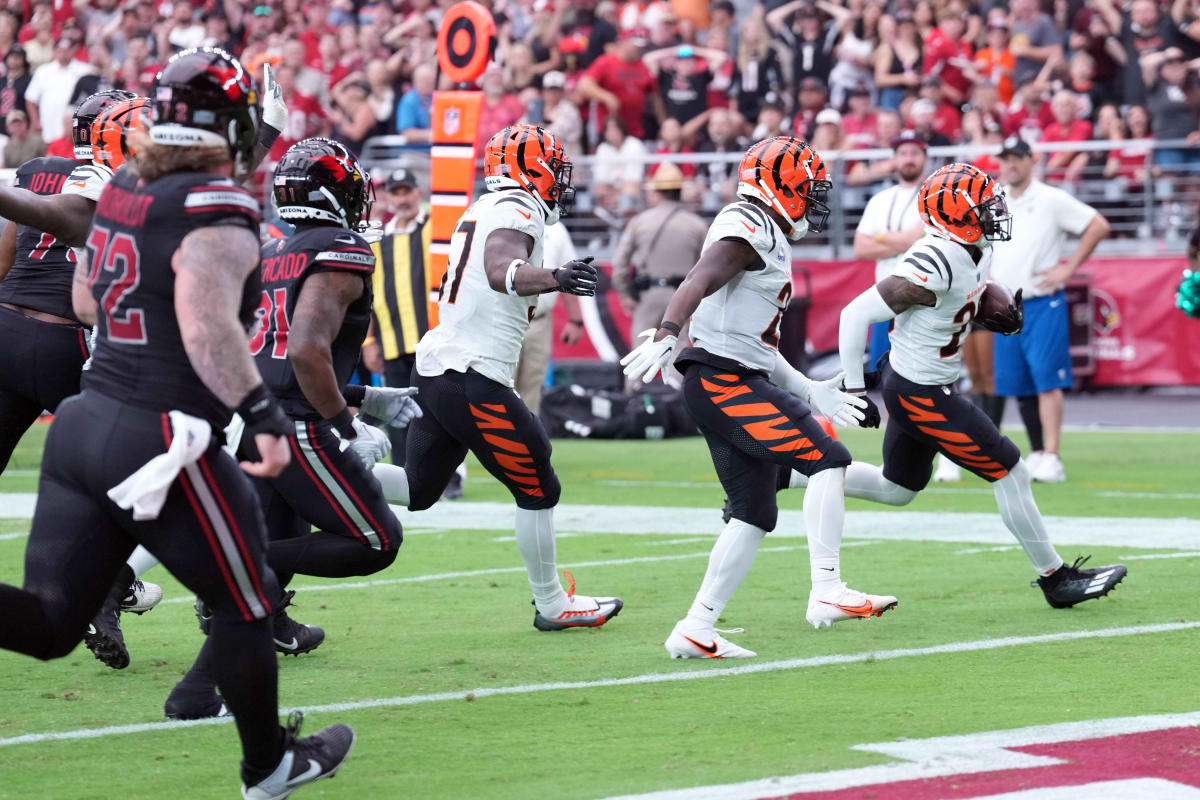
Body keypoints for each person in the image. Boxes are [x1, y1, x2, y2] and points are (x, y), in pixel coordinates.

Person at [0, 47, 355, 797]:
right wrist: (260, 414)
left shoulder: (124, 185)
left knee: (50, 623)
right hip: (162, 433)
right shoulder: (217, 206)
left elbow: (92, 301)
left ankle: (267, 760)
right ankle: (268, 766)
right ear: (225, 121)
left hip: (80, 423)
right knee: (250, 596)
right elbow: (204, 327)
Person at [793, 162, 1126, 612]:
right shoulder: (933, 259)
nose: (995, 212)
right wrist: (853, 390)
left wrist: (987, 304)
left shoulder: (975, 245)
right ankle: (1055, 579)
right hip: (921, 392)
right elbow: (853, 315)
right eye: (984, 207)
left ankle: (789, 473)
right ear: (955, 216)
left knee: (898, 488)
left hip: (920, 383)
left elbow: (967, 290)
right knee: (1010, 470)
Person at [166, 138, 419, 720]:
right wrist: (344, 422)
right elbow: (305, 348)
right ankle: (226, 560)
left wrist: (360, 393)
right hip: (297, 424)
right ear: (336, 194)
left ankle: (197, 691)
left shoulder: (276, 249)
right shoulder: (342, 248)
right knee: (376, 541)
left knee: (270, 573)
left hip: (263, 416)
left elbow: (271, 352)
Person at [622, 137, 892, 660]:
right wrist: (667, 330)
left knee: (752, 511)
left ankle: (696, 627)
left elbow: (757, 347)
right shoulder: (749, 223)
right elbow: (698, 278)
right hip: (724, 381)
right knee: (828, 460)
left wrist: (811, 390)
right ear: (780, 184)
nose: (813, 196)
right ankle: (828, 588)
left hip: (730, 377)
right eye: (806, 185)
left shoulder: (767, 232)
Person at [379, 124, 623, 631]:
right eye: (553, 167)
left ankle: (314, 471)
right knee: (539, 483)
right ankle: (553, 604)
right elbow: (501, 270)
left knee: (417, 487)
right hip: (472, 374)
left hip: (441, 367)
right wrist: (555, 277)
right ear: (529, 166)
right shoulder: (520, 207)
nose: (559, 179)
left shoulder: (479, 207)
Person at [990, 136, 1110, 483]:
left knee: (1046, 379)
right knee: (1020, 384)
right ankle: (1039, 451)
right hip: (1005, 305)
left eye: (1017, 158)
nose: (1010, 164)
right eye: (1006, 158)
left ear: (1031, 161)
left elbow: (1097, 225)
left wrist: (1067, 268)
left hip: (1042, 301)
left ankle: (1053, 455)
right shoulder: (995, 198)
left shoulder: (1049, 198)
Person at [610, 162, 708, 386]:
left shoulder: (640, 222)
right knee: (678, 351)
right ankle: (676, 406)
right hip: (683, 296)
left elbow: (620, 264)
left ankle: (633, 406)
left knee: (639, 354)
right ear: (679, 190)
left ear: (657, 191)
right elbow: (706, 267)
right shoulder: (696, 225)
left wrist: (626, 294)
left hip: (648, 295)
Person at [852, 131, 928, 373]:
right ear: (894, 159)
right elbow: (860, 248)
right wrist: (904, 240)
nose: (909, 159)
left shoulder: (932, 196)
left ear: (925, 158)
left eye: (915, 153)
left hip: (922, 300)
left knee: (920, 375)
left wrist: (882, 236)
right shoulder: (880, 199)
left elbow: (917, 240)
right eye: (903, 153)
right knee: (883, 372)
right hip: (884, 297)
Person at [514, 219, 585, 415]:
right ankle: (495, 443)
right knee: (501, 385)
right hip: (506, 318)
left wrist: (576, 320)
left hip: (540, 320)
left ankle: (526, 443)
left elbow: (570, 273)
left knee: (533, 387)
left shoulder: (556, 228)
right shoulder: (505, 217)